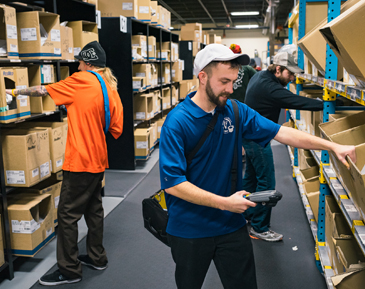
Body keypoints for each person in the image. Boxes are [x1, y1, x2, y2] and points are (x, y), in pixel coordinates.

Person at [159, 43, 356, 289]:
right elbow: (173, 185)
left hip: (230, 225)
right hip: (189, 229)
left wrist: (332, 146)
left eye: (233, 82)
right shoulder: (177, 122)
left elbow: (282, 134)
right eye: (224, 82)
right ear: (202, 77)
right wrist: (224, 202)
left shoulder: (234, 110)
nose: (230, 89)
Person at [6, 41, 124, 286]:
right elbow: (116, 130)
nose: (77, 66)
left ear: (88, 63)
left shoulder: (80, 81)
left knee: (67, 215)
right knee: (94, 209)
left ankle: (69, 270)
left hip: (79, 161)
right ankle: (97, 257)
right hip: (98, 159)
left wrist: (15, 92)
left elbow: (42, 91)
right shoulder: (110, 88)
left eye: (80, 62)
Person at [242, 48, 324, 242]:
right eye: (290, 73)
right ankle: (260, 228)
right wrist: (325, 103)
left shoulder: (262, 76)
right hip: (256, 138)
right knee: (267, 183)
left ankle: (244, 216)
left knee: (252, 178)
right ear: (278, 69)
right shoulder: (270, 87)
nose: (293, 78)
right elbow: (295, 101)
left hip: (251, 134)